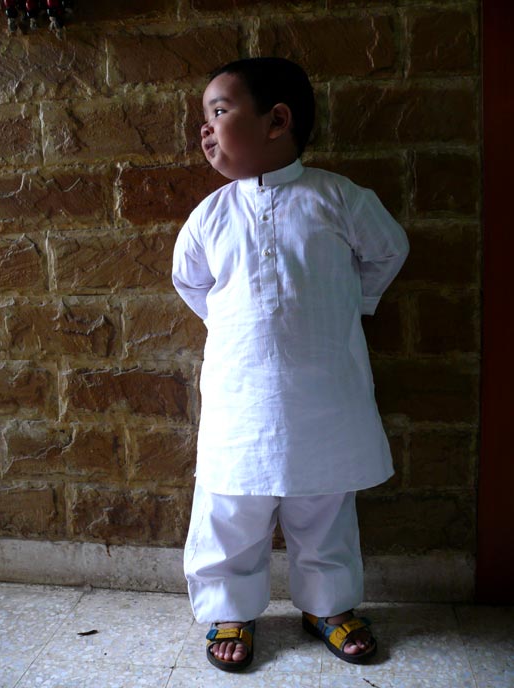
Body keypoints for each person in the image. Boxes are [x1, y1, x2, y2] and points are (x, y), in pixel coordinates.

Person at [172, 57, 409, 673]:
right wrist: (240, 328)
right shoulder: (211, 216)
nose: (206, 130)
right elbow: (189, 282)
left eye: (219, 112)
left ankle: (327, 605)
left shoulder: (337, 198)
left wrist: (349, 306)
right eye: (205, 117)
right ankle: (229, 608)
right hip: (240, 391)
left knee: (324, 500)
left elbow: (389, 249)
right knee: (230, 504)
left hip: (323, 391)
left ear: (277, 120)